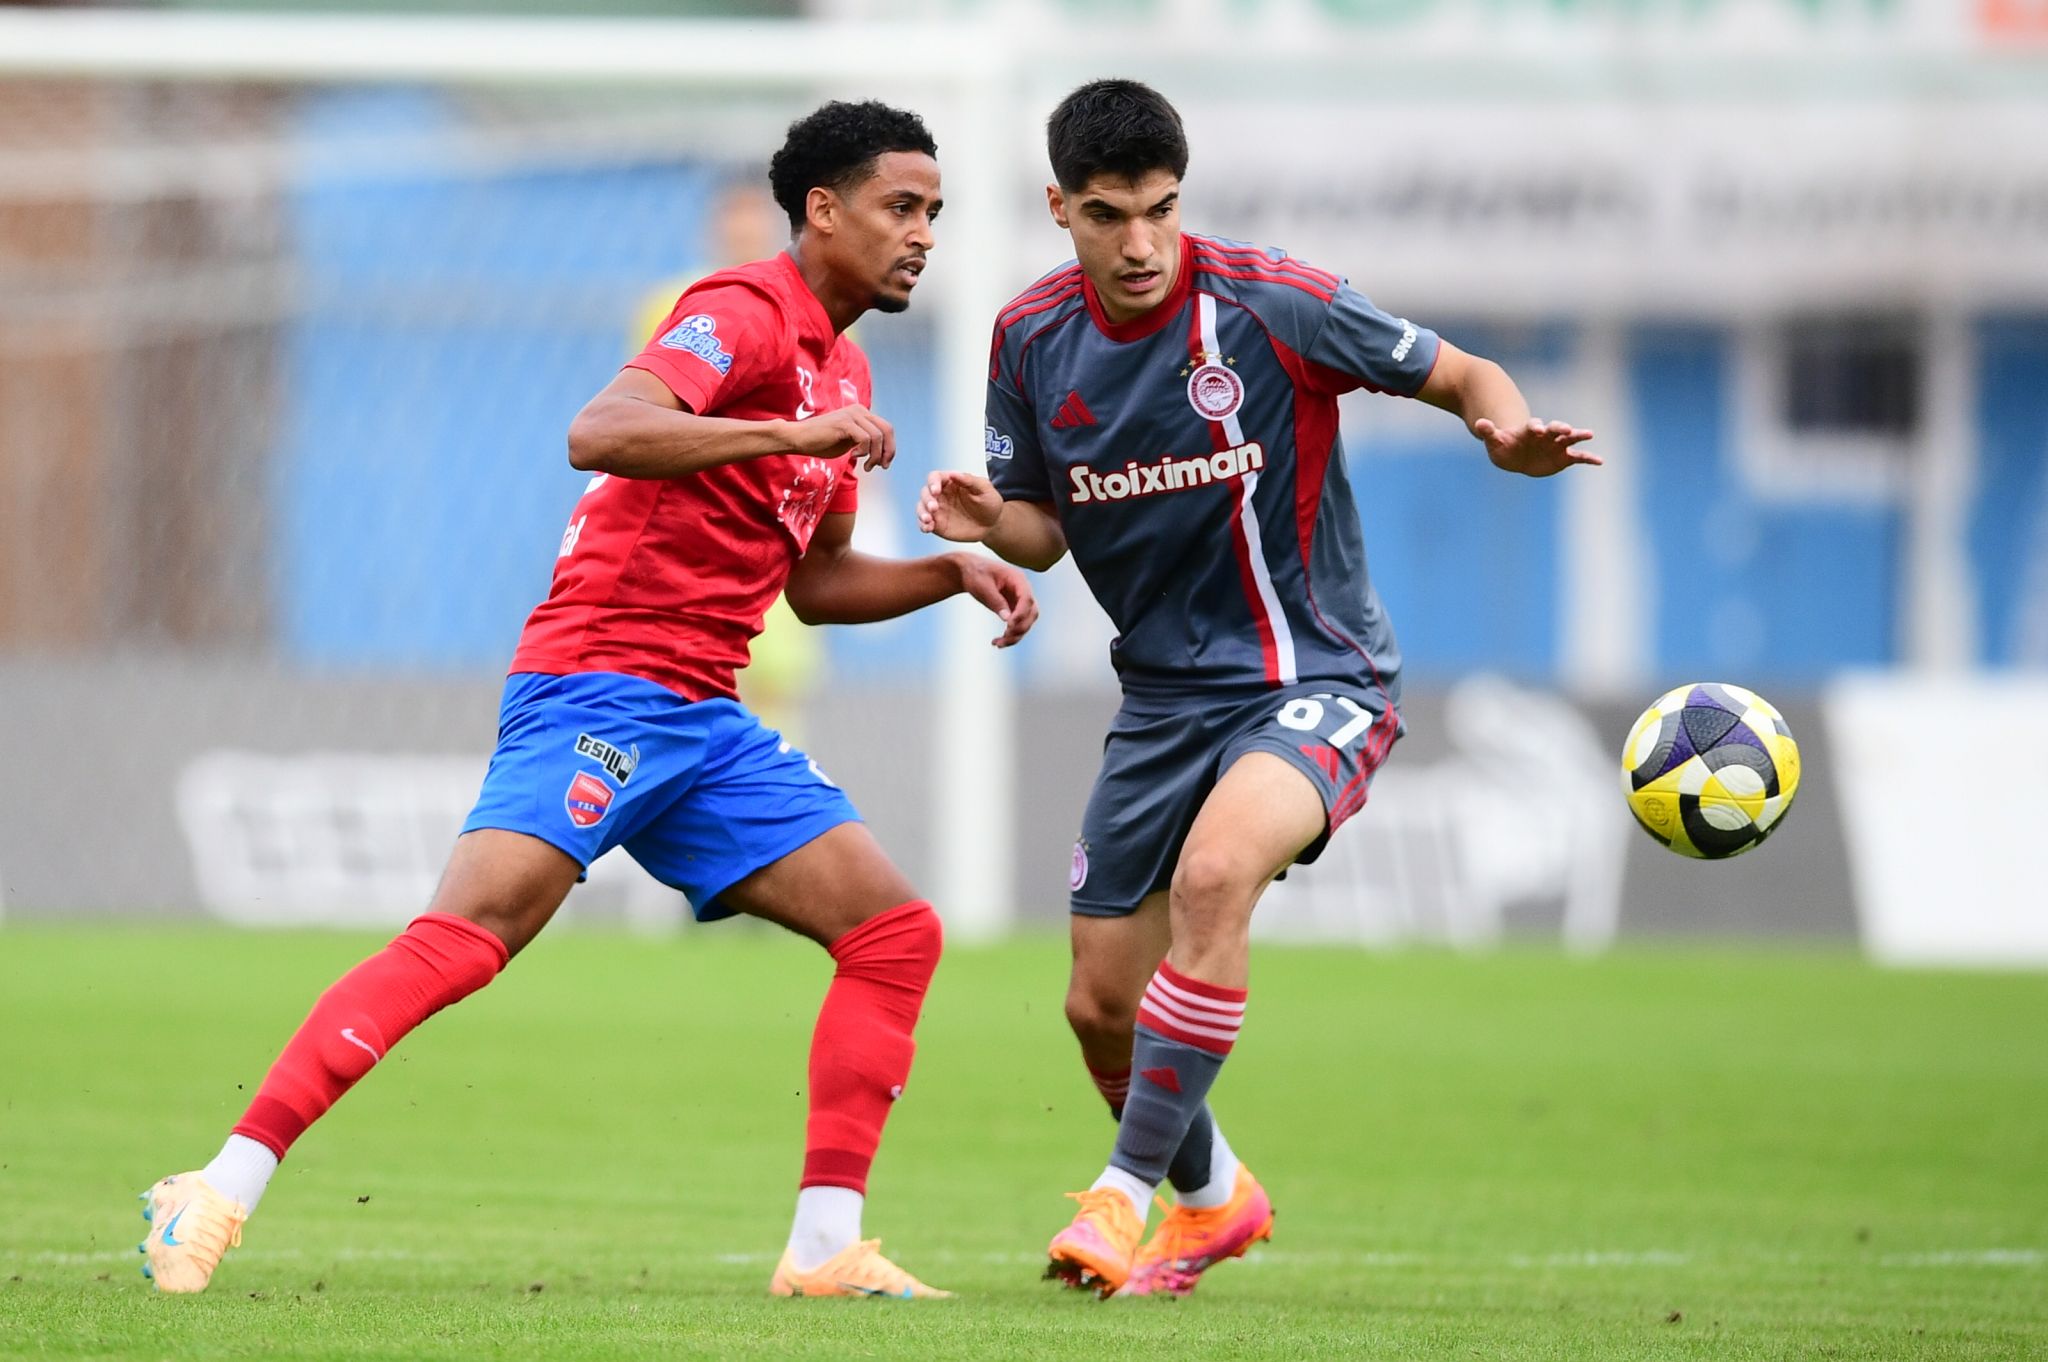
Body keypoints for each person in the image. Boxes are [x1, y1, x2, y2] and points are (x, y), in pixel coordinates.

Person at [140, 99, 1037, 1302]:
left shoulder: (843, 367)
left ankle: (825, 1245)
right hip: (601, 684)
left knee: (892, 933)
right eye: (901, 207)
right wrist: (783, 431)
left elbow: (816, 585)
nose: (923, 233)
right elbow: (600, 429)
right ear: (822, 211)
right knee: (469, 936)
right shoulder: (741, 312)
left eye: (933, 212)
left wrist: (948, 573)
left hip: (705, 720)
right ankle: (214, 1185)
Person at [917, 78, 1597, 1300]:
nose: (1140, 243)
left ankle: (1119, 1197)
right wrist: (989, 520)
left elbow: (1464, 373)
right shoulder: (1027, 336)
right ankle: (1212, 1195)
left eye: (1161, 210)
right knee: (1096, 1005)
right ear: (1059, 209)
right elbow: (1041, 532)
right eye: (1109, 215)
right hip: (1160, 701)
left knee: (1215, 877)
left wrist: (1503, 434)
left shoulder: (1269, 302)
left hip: (1313, 673)